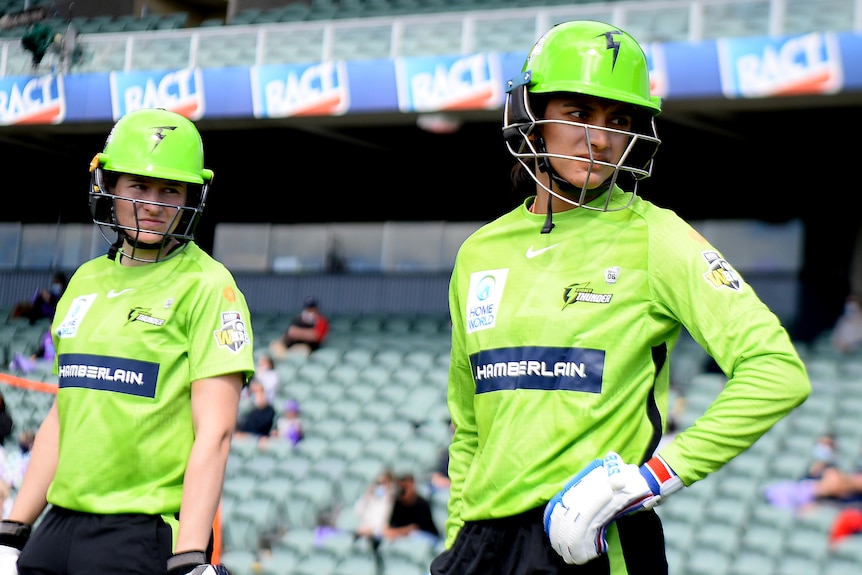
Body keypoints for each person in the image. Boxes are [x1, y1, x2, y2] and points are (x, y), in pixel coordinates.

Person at [430, 20, 811, 575]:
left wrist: (651, 479)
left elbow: (777, 372)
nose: (601, 139)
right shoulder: (478, 254)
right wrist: (457, 539)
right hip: (479, 551)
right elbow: (468, 428)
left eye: (619, 120)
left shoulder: (657, 236)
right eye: (578, 114)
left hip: (593, 544)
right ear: (530, 115)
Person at [0, 108, 255, 575]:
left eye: (170, 189)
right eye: (138, 186)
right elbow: (64, 412)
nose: (154, 203)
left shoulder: (210, 286)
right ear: (110, 187)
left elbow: (214, 434)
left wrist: (191, 558)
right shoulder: (84, 281)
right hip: (57, 527)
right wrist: (12, 531)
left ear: (191, 195)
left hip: (142, 532)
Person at [384, 472, 440, 546]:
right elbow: (389, 527)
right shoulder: (397, 503)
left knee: (414, 536)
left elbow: (415, 528)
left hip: (426, 536)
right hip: (403, 536)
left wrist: (399, 531)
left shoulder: (422, 503)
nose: (402, 490)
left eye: (404, 488)